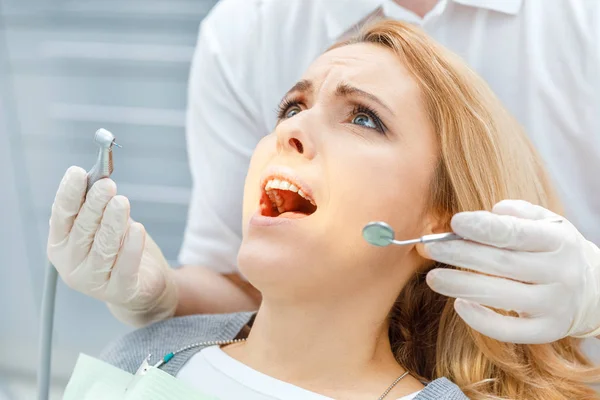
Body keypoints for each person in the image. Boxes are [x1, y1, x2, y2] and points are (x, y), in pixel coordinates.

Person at [71, 19, 600, 400]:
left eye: (365, 118)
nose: (291, 129)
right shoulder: (144, 355)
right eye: (292, 107)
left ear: (440, 221)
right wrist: (163, 298)